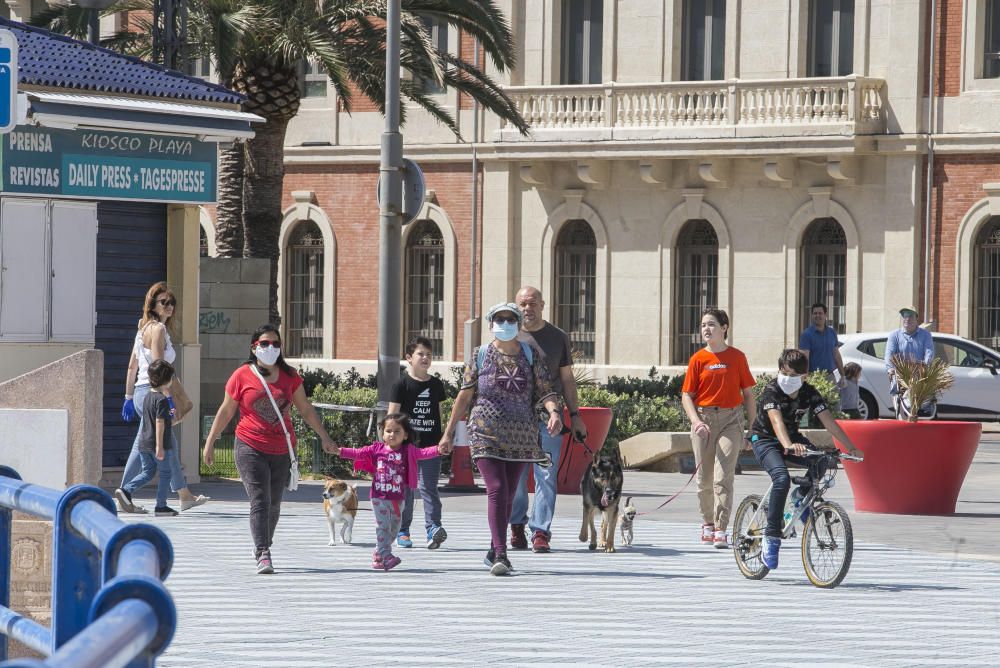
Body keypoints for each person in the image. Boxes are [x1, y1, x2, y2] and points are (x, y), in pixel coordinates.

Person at [439, 302, 563, 576]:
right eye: (499, 319)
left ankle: (493, 548)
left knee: (508, 492)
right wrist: (448, 432)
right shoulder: (480, 354)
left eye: (510, 319)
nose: (505, 323)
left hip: (522, 435)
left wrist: (554, 412)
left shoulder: (531, 355)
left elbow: (546, 391)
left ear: (518, 325)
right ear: (491, 324)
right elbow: (465, 394)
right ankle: (501, 552)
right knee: (496, 487)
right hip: (485, 430)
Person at [203, 324, 336, 575]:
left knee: (274, 504)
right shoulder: (242, 375)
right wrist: (210, 442)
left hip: (281, 448)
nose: (270, 348)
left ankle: (263, 543)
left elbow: (305, 408)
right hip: (249, 445)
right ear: (254, 347)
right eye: (265, 344)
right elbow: (226, 410)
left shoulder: (290, 376)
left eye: (275, 344)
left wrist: (325, 437)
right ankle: (263, 552)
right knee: (260, 500)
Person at [748, 348, 863, 570]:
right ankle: (771, 538)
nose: (787, 379)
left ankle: (800, 496)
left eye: (793, 376)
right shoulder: (771, 391)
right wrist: (788, 446)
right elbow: (776, 422)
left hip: (793, 440)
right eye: (784, 373)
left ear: (804, 376)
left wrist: (851, 447)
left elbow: (829, 422)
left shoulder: (809, 392)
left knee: (822, 461)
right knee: (781, 478)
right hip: (765, 440)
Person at [509, 285, 588, 553]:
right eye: (522, 304)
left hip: (550, 417)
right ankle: (517, 524)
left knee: (546, 474)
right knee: (517, 476)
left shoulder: (558, 337)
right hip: (516, 418)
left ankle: (540, 530)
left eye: (532, 303)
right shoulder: (510, 334)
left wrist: (575, 416)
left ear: (542, 304)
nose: (527, 309)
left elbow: (566, 378)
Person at [120, 281, 208, 514]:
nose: (169, 306)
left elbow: (132, 367)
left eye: (172, 303)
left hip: (141, 393)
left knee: (163, 443)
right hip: (153, 393)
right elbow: (159, 369)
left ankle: (183, 495)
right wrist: (169, 398)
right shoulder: (158, 329)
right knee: (145, 445)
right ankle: (124, 492)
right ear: (153, 305)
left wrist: (129, 397)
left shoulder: (142, 328)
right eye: (163, 302)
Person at [330, 413, 448, 571]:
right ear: (383, 433)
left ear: (405, 435)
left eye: (397, 431)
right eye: (388, 431)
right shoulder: (377, 449)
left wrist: (438, 450)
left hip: (398, 498)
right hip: (379, 497)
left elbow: (423, 453)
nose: (392, 434)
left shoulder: (408, 450)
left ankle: (378, 554)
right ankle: (386, 555)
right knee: (382, 526)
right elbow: (358, 453)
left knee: (394, 529)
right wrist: (339, 451)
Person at [680, 308, 757, 549]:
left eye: (711, 324)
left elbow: (748, 395)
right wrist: (696, 421)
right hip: (703, 420)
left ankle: (721, 529)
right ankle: (708, 522)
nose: (706, 329)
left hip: (731, 421)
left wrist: (751, 429)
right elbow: (686, 395)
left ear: (724, 328)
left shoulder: (737, 357)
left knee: (723, 477)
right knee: (704, 479)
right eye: (703, 325)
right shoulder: (697, 359)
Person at [388, 336, 448, 550]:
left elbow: (439, 413)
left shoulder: (436, 384)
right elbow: (392, 415)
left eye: (429, 355)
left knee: (429, 488)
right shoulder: (401, 383)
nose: (425, 358)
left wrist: (445, 438)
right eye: (420, 354)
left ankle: (433, 528)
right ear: (409, 358)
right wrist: (390, 445)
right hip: (407, 447)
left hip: (431, 447)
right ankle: (403, 530)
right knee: (406, 489)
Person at [115, 360, 180, 517]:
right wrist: (159, 446)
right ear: (166, 379)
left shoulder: (148, 397)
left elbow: (154, 417)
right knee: (165, 473)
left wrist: (169, 410)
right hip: (159, 444)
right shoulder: (162, 400)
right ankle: (161, 506)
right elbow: (159, 422)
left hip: (144, 443)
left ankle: (126, 490)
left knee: (148, 472)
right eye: (171, 378)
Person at [798, 302, 847, 415]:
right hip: (813, 377)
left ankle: (835, 432)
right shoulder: (807, 335)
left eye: (820, 313)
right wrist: (805, 380)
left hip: (830, 377)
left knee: (835, 408)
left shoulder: (831, 333)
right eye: (815, 313)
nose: (817, 315)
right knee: (814, 409)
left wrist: (843, 375)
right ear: (811, 315)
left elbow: (836, 355)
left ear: (825, 315)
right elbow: (805, 358)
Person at [884, 306, 935, 410]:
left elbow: (929, 352)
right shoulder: (894, 335)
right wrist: (890, 369)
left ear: (917, 319)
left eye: (910, 316)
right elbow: (889, 354)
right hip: (901, 377)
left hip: (920, 375)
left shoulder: (925, 334)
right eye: (904, 316)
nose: (907, 318)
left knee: (926, 406)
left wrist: (924, 365)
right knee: (902, 407)